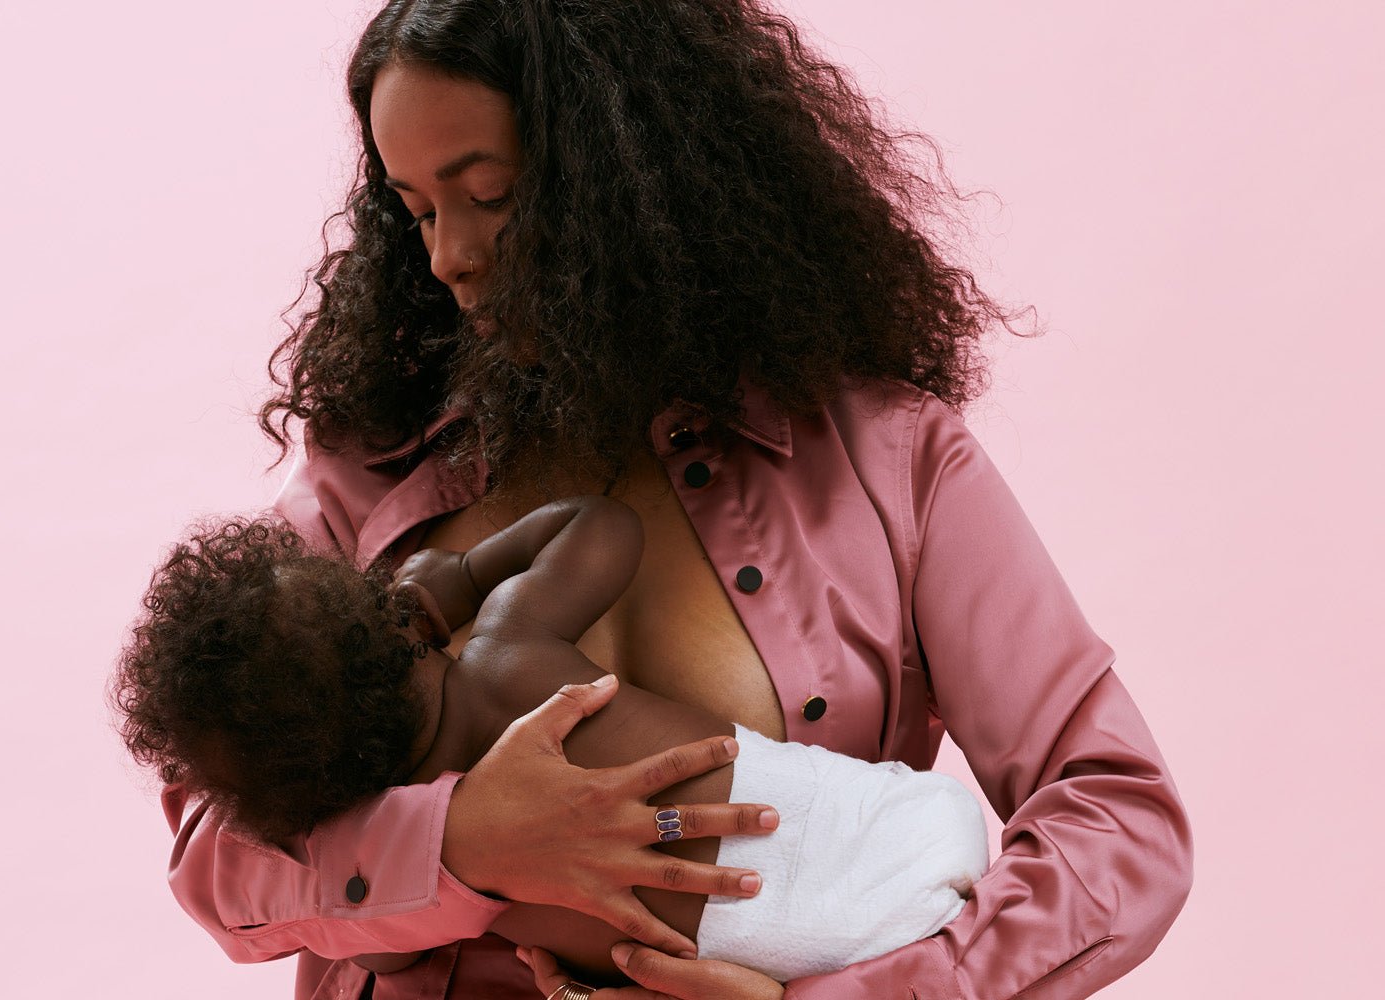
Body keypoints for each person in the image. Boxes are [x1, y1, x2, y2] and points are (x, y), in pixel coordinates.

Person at [160, 2, 1194, 998]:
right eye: (418, 210)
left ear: (630, 174)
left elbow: (1120, 818)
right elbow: (215, 852)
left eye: (492, 194)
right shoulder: (364, 483)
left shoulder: (889, 462)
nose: (448, 258)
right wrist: (460, 841)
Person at [118, 496, 989, 985]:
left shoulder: (420, 885)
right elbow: (603, 527)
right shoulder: (508, 651)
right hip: (905, 846)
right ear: (402, 623)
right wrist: (461, 577)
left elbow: (379, 951)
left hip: (784, 958)